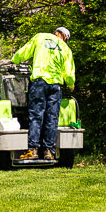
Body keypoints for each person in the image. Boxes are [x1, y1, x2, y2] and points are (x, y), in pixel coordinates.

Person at [12, 27, 73, 162]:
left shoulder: (40, 37)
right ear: (64, 36)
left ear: (56, 32)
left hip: (39, 82)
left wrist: (15, 60)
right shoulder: (65, 48)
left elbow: (23, 52)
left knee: (36, 116)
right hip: (55, 85)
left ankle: (33, 150)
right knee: (52, 118)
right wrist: (70, 83)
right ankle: (49, 152)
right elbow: (68, 71)